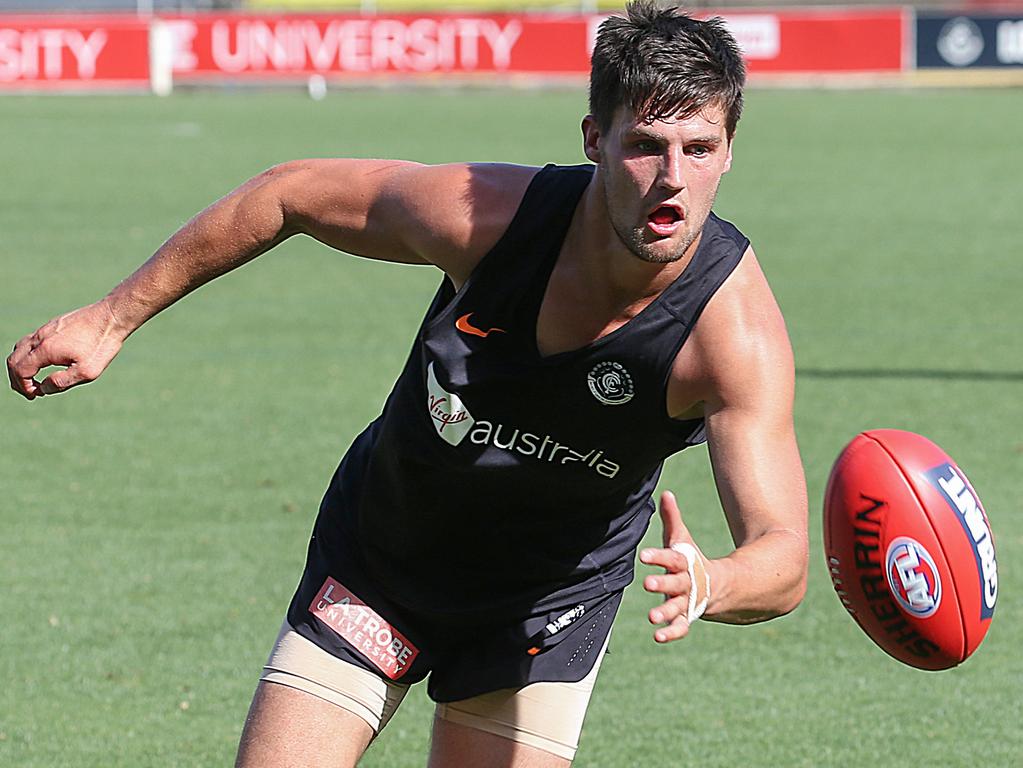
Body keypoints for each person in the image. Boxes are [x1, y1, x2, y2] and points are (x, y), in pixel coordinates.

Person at [7, 3, 808, 766]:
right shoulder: (485, 219)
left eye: (698, 149)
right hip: (383, 562)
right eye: (645, 145)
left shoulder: (730, 335)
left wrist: (713, 581)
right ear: (595, 139)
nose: (671, 177)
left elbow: (783, 558)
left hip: (544, 609)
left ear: (728, 150)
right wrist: (110, 319)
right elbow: (288, 193)